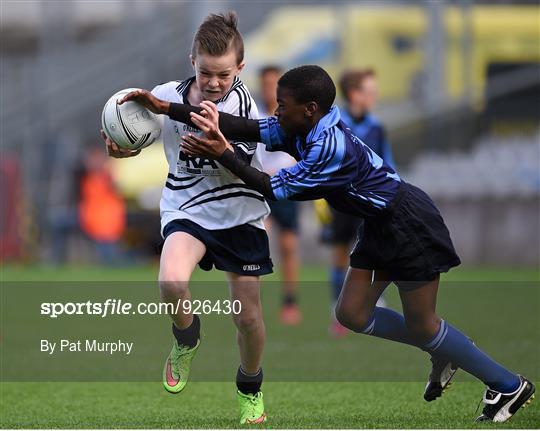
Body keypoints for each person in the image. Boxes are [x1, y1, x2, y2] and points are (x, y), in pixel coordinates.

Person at [120, 65, 535, 423]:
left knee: (424, 323)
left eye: (283, 104)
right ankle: (444, 349)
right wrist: (168, 109)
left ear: (310, 109)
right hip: (378, 224)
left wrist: (226, 155)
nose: (276, 111)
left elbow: (272, 188)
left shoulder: (328, 148)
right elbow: (244, 126)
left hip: (408, 224)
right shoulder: (299, 124)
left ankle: (508, 385)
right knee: (352, 313)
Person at [103, 12, 270, 425]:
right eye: (205, 72)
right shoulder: (164, 94)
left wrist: (218, 147)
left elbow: (245, 166)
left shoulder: (245, 106)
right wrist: (121, 147)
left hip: (239, 214)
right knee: (170, 280)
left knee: (247, 318)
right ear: (191, 60)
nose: (214, 82)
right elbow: (138, 129)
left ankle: (250, 385)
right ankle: (186, 337)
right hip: (188, 207)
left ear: (240, 69)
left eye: (224, 74)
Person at [324, 68, 394, 337]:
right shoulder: (336, 123)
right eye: (369, 92)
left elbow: (387, 162)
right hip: (341, 201)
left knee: (374, 251)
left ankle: (372, 302)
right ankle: (338, 311)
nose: (374, 96)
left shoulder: (377, 127)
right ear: (354, 94)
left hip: (371, 202)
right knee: (341, 255)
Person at [258, 65, 302, 326]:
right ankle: (254, 302)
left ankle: (290, 301)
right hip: (260, 184)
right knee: (259, 243)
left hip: (286, 184)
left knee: (288, 246)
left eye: (275, 84)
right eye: (266, 84)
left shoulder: (292, 115)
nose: (269, 90)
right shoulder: (254, 113)